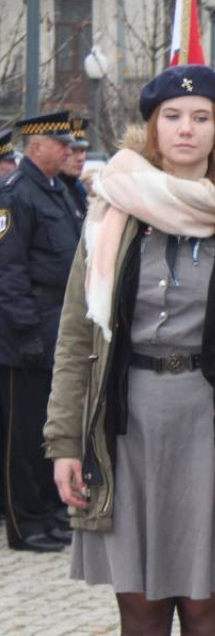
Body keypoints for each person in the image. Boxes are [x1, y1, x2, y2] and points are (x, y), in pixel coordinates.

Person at [43, 64, 215, 636]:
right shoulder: (113, 205)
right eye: (172, 117)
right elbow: (78, 335)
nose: (186, 130)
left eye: (201, 118)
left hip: (214, 427)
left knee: (206, 608)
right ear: (152, 128)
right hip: (125, 422)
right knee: (140, 612)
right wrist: (63, 443)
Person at [0, 111, 82, 553]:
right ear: (35, 147)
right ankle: (25, 521)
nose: (69, 150)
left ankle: (50, 512)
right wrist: (25, 330)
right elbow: (8, 271)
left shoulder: (56, 191)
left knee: (51, 431)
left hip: (57, 328)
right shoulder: (13, 196)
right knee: (23, 435)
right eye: (60, 143)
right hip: (24, 335)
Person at [58, 117, 90, 221]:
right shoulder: (53, 190)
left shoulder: (80, 190)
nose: (80, 158)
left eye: (82, 151)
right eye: (74, 151)